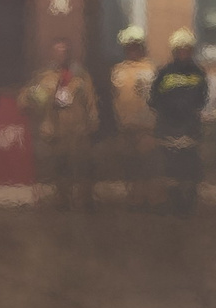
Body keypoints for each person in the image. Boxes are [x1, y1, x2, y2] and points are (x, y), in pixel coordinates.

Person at [21, 38, 100, 211]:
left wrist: (93, 120)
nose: (61, 54)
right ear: (52, 53)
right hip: (55, 130)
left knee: (82, 166)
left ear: (69, 53)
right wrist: (34, 101)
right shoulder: (43, 76)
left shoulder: (80, 75)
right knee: (59, 166)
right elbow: (25, 98)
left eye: (64, 50)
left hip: (78, 129)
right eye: (57, 50)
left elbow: (90, 100)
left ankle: (85, 200)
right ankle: (62, 199)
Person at [149, 29, 210, 216]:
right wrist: (171, 111)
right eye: (180, 50)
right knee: (171, 168)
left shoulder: (199, 73)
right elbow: (154, 99)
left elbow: (202, 98)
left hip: (190, 128)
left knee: (190, 168)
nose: (184, 53)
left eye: (187, 49)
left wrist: (187, 111)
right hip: (169, 127)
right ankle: (174, 203)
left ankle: (189, 204)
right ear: (174, 51)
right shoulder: (164, 73)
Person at [107, 27, 156, 206]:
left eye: (136, 46)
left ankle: (149, 197)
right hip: (126, 126)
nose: (132, 50)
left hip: (147, 127)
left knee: (147, 164)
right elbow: (115, 98)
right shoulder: (117, 71)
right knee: (131, 165)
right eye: (129, 46)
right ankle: (134, 197)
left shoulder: (151, 69)